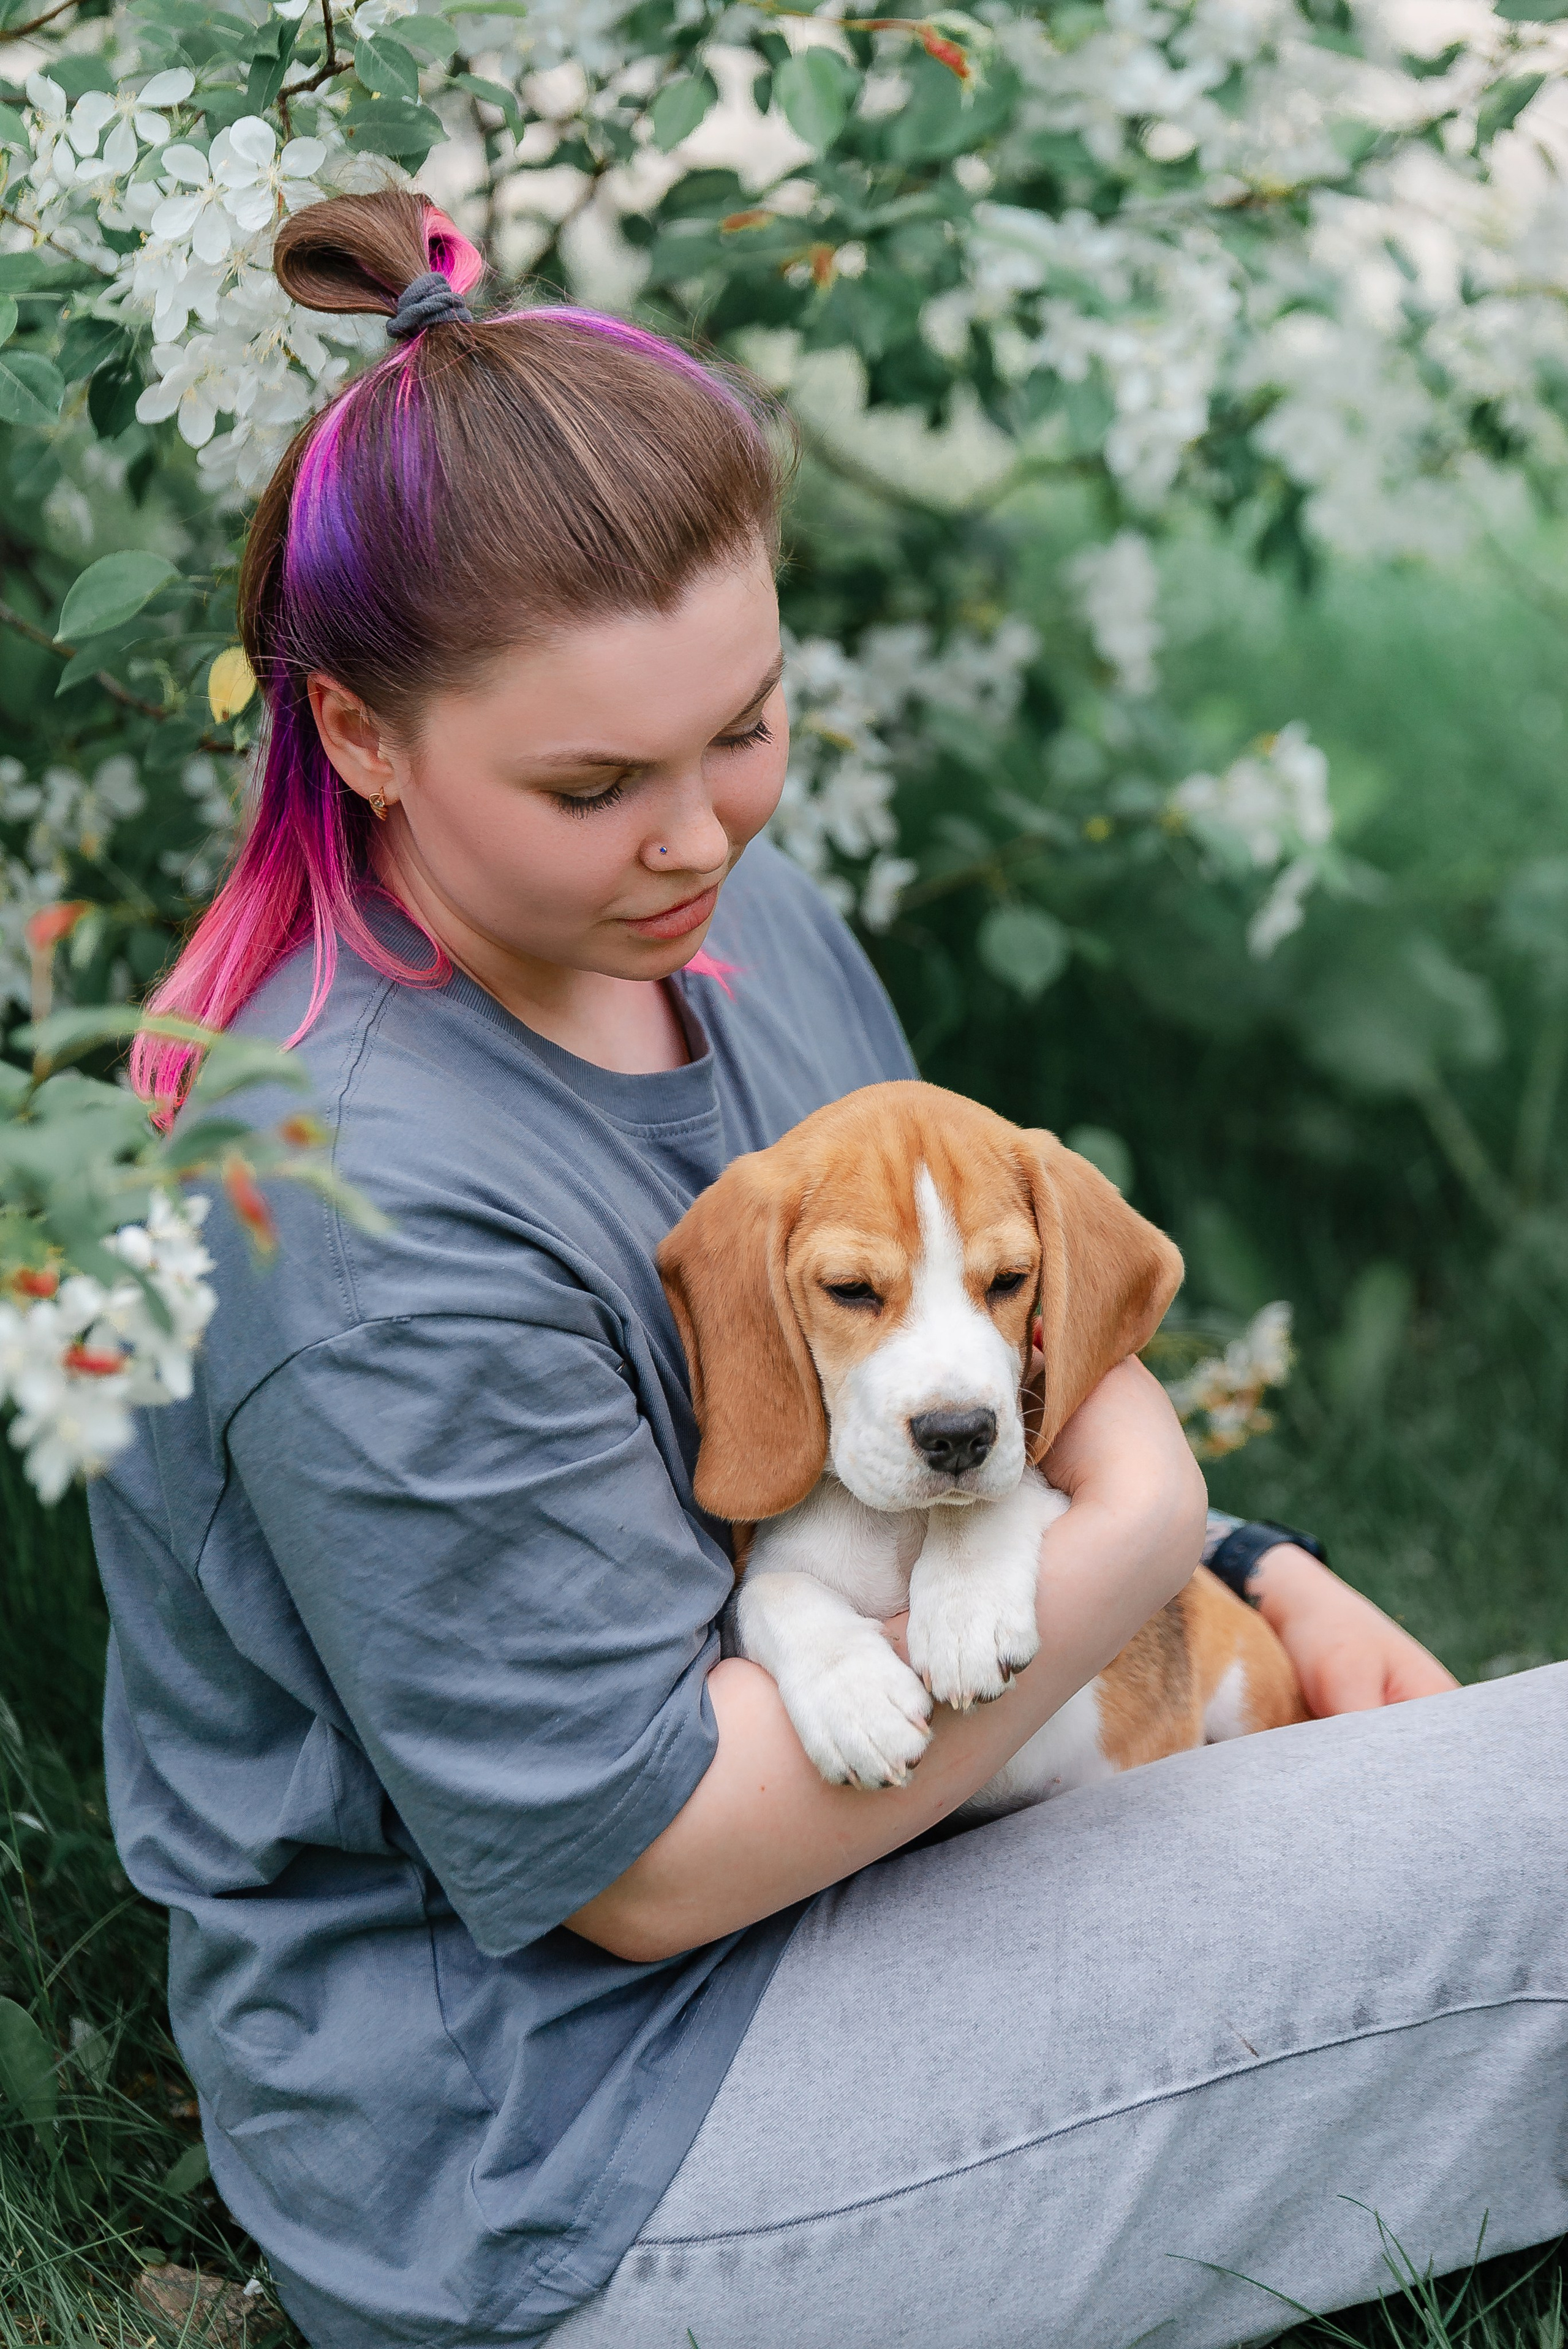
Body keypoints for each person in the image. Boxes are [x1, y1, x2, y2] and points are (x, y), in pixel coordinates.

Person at [91, 189, 1568, 2349]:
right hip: (596, 2154)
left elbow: (951, 1348)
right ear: (361, 736)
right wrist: (1145, 1514)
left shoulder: (711, 922)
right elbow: (655, 1865)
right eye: (594, 781)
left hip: (896, 1858)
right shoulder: (346, 1206)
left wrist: (1255, 1571)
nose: (699, 831)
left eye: (747, 728)